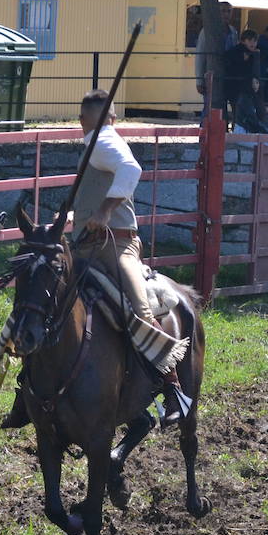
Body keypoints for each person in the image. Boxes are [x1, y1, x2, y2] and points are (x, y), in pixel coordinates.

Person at [71, 89, 190, 420]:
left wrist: (106, 210)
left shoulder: (103, 140)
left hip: (115, 247)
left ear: (84, 119)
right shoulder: (99, 141)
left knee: (140, 310)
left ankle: (172, 387)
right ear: (112, 117)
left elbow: (130, 170)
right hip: (87, 246)